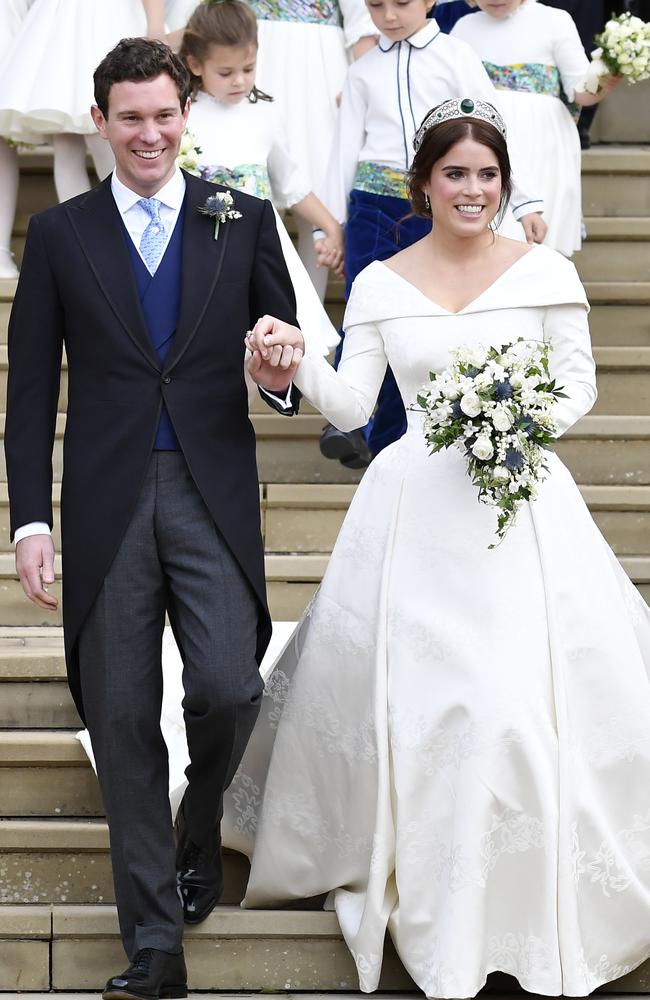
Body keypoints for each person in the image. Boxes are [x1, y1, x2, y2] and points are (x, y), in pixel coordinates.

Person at [239, 97, 650, 997]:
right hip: (414, 517)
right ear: (423, 184)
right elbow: (354, 405)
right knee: (430, 714)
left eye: (488, 175)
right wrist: (295, 361)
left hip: (517, 511)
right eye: (455, 173)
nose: (473, 189)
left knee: (510, 707)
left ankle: (518, 914)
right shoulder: (384, 280)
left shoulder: (549, 273)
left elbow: (577, 385)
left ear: (505, 184)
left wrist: (513, 421)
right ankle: (437, 907)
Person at [4, 37, 300, 1000]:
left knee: (226, 686)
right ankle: (155, 946)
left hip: (211, 491)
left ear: (188, 116)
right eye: (129, 117)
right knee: (124, 715)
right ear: (100, 122)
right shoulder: (60, 234)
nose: (149, 132)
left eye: (164, 114)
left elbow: (282, 351)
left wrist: (279, 376)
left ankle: (198, 821)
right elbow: (28, 397)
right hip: (104, 501)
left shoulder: (244, 220)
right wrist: (30, 522)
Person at [316, 0, 546, 467]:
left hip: (435, 205)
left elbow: (491, 133)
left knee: (415, 318)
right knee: (367, 306)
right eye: (376, 5)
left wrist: (524, 201)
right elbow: (343, 148)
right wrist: (332, 225)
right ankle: (346, 420)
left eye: (401, 3)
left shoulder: (456, 56)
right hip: (372, 205)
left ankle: (388, 440)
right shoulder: (362, 71)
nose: (389, 15)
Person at [180, 0, 342, 355]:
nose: (240, 81)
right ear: (195, 64)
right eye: (226, 73)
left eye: (249, 68)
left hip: (258, 248)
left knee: (263, 340)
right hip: (201, 248)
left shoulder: (265, 113)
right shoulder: (182, 117)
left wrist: (331, 226)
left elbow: (291, 183)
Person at [452, 0, 621, 256]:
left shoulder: (554, 20)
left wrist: (606, 80)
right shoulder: (465, 27)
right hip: (486, 136)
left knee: (537, 231)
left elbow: (579, 89)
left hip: (543, 139)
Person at [0, 0, 166, 225]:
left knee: (104, 134)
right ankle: (83, 238)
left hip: (101, 20)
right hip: (63, 22)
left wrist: (154, 28)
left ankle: (137, 224)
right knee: (67, 144)